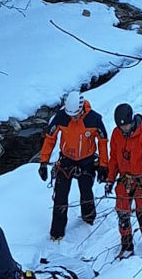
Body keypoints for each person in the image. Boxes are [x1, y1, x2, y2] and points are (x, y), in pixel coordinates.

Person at [37, 90, 110, 241]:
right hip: (66, 160)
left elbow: (102, 143)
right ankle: (56, 233)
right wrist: (43, 162)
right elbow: (50, 139)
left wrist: (104, 165)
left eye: (76, 115)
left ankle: (88, 221)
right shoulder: (61, 117)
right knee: (60, 197)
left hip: (87, 161)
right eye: (71, 116)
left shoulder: (94, 119)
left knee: (86, 192)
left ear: (82, 108)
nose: (74, 118)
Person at [105, 102, 142, 259]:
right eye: (120, 126)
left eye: (126, 125)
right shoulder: (116, 134)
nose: (124, 129)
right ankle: (127, 246)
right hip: (125, 179)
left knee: (141, 213)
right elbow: (114, 159)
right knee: (122, 213)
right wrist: (110, 179)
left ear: (132, 120)